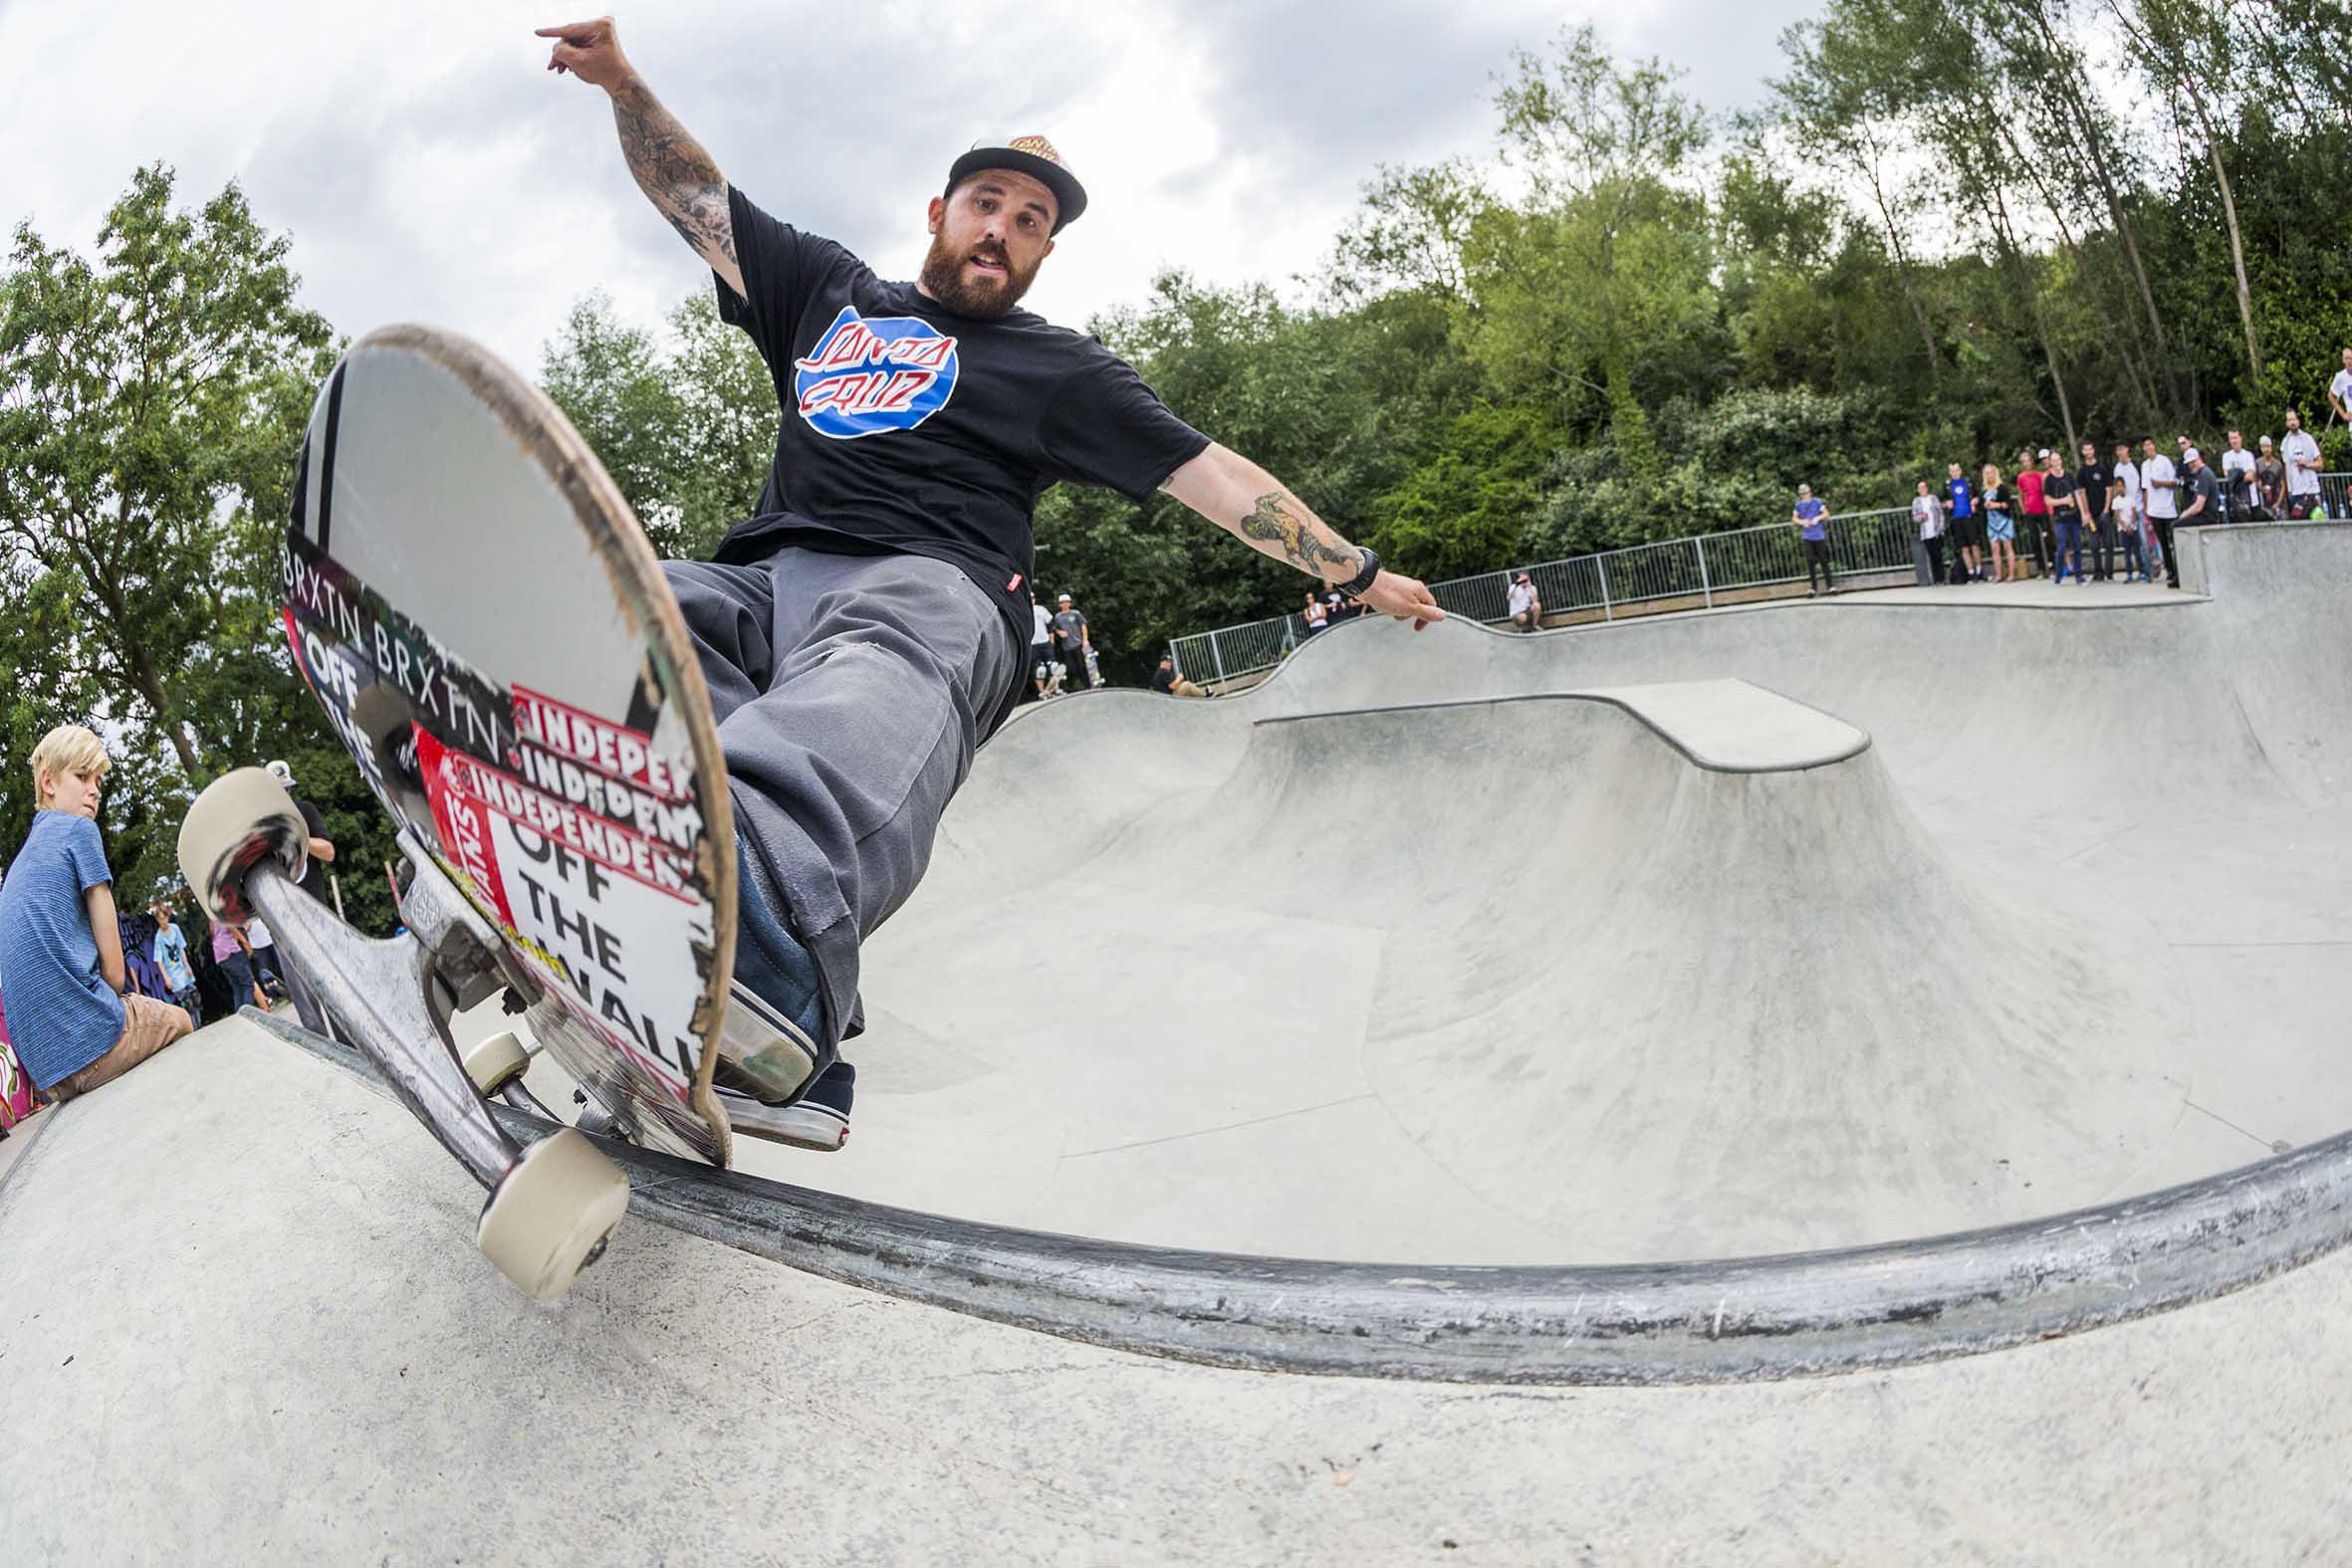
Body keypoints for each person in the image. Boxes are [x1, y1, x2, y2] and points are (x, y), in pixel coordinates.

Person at [539, 17, 1443, 1145]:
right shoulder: (824, 290)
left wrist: (1357, 571)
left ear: (1043, 256)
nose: (1002, 233)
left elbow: (1212, 476)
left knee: (890, 637)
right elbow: (696, 201)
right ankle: (570, 822)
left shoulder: (1058, 369)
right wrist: (623, 83)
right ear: (939, 212)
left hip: (936, 586)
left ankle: (766, 920)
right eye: (988, 206)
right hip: (768, 583)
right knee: (647, 602)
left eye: (1030, 224)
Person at [0, 726, 194, 1103]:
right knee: (181, 1020)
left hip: (47, 1074)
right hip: (93, 1041)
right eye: (82, 776)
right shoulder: (79, 830)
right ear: (48, 783)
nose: (94, 791)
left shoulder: (19, 866)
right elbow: (116, 975)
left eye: (98, 782)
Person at [151, 899, 200, 1020]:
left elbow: (181, 948)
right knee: (187, 1003)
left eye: (165, 918)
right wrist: (166, 978)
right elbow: (159, 961)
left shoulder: (175, 929)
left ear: (168, 916)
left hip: (183, 969)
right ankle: (193, 1026)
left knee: (195, 998)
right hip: (173, 974)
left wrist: (187, 966)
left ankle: (200, 1023)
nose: (163, 921)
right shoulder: (159, 937)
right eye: (160, 919)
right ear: (157, 920)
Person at [2073, 440, 2113, 581]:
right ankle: (2098, 572)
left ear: (2093, 450)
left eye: (2090, 449)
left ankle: (2109, 572)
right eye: (2086, 450)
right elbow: (2082, 493)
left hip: (2104, 512)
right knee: (2094, 545)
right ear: (2083, 452)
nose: (2088, 452)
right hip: (2091, 515)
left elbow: (2109, 489)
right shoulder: (2082, 471)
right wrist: (2086, 513)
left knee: (2108, 543)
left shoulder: (2102, 467)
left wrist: (2106, 509)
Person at [209, 915, 265, 1014]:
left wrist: (234, 942)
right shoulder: (221, 914)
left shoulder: (211, 919)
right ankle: (247, 1014)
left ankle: (239, 1016)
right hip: (229, 952)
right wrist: (245, 943)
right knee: (248, 983)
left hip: (219, 955)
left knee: (237, 987)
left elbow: (216, 933)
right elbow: (232, 928)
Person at [2042, 451, 2082, 584]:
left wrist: (2083, 513)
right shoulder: (2049, 480)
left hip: (2074, 516)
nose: (2057, 463)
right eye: (2054, 461)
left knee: (2077, 546)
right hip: (2060, 519)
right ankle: (2058, 575)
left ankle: (2079, 575)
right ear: (2050, 463)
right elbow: (2047, 500)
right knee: (2061, 547)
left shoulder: (2069, 476)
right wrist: (2062, 501)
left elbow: (2077, 494)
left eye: (2058, 460)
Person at [2110, 443, 2148, 582]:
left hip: (2137, 508)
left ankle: (2146, 571)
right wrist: (2124, 525)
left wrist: (2144, 508)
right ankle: (2130, 573)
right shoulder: (2117, 468)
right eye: (2117, 449)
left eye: (2122, 449)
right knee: (2127, 550)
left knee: (2143, 544)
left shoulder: (2136, 466)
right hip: (2123, 518)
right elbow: (2116, 512)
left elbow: (2143, 487)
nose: (2120, 452)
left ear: (2127, 449)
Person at [2280, 407, 2325, 520]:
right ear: (2286, 423)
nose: (2292, 422)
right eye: (2289, 420)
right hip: (2295, 492)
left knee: (2317, 523)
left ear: (2298, 421)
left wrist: (2307, 464)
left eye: (2294, 419)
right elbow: (2286, 468)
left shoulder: (2308, 439)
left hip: (2311, 491)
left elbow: (2320, 465)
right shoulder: (2285, 442)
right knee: (2299, 524)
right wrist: (2288, 491)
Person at [1790, 484, 1833, 593]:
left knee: (1824, 560)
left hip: (1819, 536)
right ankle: (1813, 588)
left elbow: (1826, 514)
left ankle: (1830, 586)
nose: (1805, 495)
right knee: (1810, 561)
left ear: (1810, 492)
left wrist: (1817, 518)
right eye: (1802, 494)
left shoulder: (1817, 502)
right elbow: (1794, 518)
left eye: (1806, 493)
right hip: (1807, 537)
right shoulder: (1798, 505)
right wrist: (1802, 522)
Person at [1051, 592, 1096, 691]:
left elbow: (1083, 626)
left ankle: (1089, 686)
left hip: (1078, 644)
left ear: (1070, 603)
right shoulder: (1058, 617)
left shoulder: (1076, 614)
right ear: (1059, 605)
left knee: (1082, 666)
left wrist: (1085, 640)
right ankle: (1079, 686)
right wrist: (1060, 632)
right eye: (1063, 602)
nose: (1065, 604)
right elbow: (1055, 629)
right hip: (1067, 647)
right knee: (1072, 668)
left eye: (1067, 602)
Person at [1944, 463, 1981, 582]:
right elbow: (1943, 500)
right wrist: (1946, 503)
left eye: (1957, 470)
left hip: (1969, 517)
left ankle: (1979, 571)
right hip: (1956, 519)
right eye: (1952, 471)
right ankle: (1971, 573)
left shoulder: (1968, 482)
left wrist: (1975, 500)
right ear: (1950, 472)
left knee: (1974, 545)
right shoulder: (1947, 485)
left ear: (1960, 470)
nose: (1955, 473)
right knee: (1964, 548)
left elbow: (1978, 496)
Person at [1980, 464, 2017, 583]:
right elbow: (1981, 507)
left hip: (2004, 520)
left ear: (1995, 473)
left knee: (2008, 547)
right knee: (1994, 549)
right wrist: (1984, 505)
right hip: (1991, 523)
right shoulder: (1984, 490)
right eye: (1986, 473)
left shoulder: (2002, 488)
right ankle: (1998, 575)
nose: (1989, 475)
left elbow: (2007, 504)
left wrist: (1995, 505)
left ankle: (2011, 574)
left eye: (1991, 472)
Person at [2178, 447, 2224, 542]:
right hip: (2206, 516)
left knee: (2175, 526)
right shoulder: (2202, 474)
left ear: (2199, 459)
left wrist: (2185, 513)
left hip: (2207, 517)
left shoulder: (2204, 475)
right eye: (2189, 463)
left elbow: (2199, 506)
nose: (2191, 465)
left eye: (2193, 461)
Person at [2015, 451, 2049, 576]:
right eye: (2024, 461)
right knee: (2034, 541)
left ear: (2032, 461)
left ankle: (2052, 566)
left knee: (2048, 539)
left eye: (2028, 460)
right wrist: (2023, 509)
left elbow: (2045, 492)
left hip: (2042, 510)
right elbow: (2020, 495)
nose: (2026, 463)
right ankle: (2040, 569)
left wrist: (2047, 507)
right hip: (2030, 511)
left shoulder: (2039, 475)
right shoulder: (2021, 477)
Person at [1910, 481, 1947, 585]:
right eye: (1920, 488)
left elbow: (1940, 513)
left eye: (1924, 487)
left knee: (1938, 555)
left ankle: (1942, 578)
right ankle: (1936, 579)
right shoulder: (1916, 501)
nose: (1922, 489)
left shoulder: (1933, 498)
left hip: (1936, 531)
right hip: (1926, 533)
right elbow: (1914, 517)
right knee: (1932, 556)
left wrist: (1941, 528)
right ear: (1917, 490)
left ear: (1927, 488)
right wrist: (1921, 517)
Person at [2219, 429, 2256, 523]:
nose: (2234, 441)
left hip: (2250, 499)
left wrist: (2237, 476)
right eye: (2231, 438)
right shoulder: (2226, 456)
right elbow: (2227, 475)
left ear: (2240, 438)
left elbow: (2250, 476)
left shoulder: (2248, 455)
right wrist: (2241, 474)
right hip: (2234, 500)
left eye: (2235, 438)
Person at [1027, 593, 1054, 701]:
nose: (1031, 600)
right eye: (1029, 598)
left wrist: (1051, 636)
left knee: (1054, 667)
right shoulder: (1024, 610)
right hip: (1033, 644)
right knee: (1040, 670)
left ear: (1034, 599)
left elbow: (1050, 623)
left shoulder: (1041, 609)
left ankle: (1055, 689)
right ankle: (1042, 692)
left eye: (1032, 598)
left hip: (1045, 642)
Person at [2253, 435, 2285, 521]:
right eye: (2263, 447)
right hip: (2264, 503)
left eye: (2268, 446)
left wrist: (2278, 503)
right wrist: (2261, 488)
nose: (2266, 449)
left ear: (2271, 447)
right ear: (2261, 448)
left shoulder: (2278, 464)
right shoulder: (2257, 463)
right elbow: (2255, 481)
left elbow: (2283, 485)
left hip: (2278, 502)